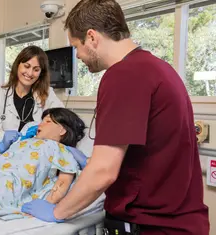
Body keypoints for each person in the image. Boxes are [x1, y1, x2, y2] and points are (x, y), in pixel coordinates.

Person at [21, 1, 210, 234]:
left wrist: (57, 211)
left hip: (152, 225)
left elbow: (104, 171)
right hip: (179, 221)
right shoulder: (158, 68)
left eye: (76, 46)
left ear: (91, 37)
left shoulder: (123, 75)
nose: (78, 56)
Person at [0, 45, 65, 145]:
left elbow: (63, 118)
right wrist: (21, 140)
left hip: (33, 153)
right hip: (3, 153)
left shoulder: (47, 94)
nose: (30, 73)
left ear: (41, 73)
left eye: (36, 69)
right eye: (26, 66)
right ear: (17, 65)